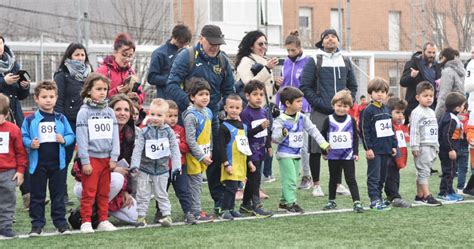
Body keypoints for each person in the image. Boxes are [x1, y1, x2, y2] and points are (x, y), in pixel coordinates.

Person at [166, 25, 235, 215]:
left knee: (213, 156)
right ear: (201, 39)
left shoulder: (223, 60)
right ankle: (169, 207)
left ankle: (219, 201)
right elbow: (171, 85)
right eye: (212, 43)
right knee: (182, 159)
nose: (215, 47)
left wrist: (222, 109)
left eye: (218, 44)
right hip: (187, 117)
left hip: (212, 117)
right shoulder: (186, 56)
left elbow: (229, 90)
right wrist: (191, 105)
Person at [300, 29, 356, 198]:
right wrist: (320, 104)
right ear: (322, 42)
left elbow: (352, 86)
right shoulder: (314, 60)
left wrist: (345, 102)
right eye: (327, 37)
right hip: (320, 111)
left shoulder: (345, 60)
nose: (331, 39)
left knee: (339, 146)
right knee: (316, 148)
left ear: (338, 41)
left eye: (334, 36)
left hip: (340, 114)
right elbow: (305, 86)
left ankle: (338, 184)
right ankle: (316, 184)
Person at [72, 94, 138, 225]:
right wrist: (112, 168)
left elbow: (129, 168)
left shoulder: (131, 134)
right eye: (118, 109)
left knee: (135, 216)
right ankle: (89, 212)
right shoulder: (97, 127)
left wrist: (125, 191)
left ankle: (94, 210)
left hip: (112, 187)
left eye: (126, 110)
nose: (122, 113)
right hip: (86, 183)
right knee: (117, 178)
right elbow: (77, 169)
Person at [21, 81, 75, 236]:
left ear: (56, 98)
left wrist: (64, 140)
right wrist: (30, 143)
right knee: (37, 196)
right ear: (36, 99)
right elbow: (23, 135)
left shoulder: (61, 118)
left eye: (51, 96)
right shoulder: (30, 120)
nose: (48, 100)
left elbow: (71, 135)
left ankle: (61, 223)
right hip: (38, 165)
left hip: (58, 164)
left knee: (58, 196)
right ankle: (37, 225)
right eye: (44, 96)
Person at [272, 86, 330, 213]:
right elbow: (275, 138)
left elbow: (313, 130)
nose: (301, 104)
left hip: (296, 154)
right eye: (298, 101)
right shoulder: (280, 119)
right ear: (287, 103)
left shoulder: (302, 117)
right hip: (284, 154)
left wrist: (323, 143)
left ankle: (283, 202)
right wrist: (282, 133)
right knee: (291, 179)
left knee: (291, 178)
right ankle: (291, 203)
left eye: (301, 101)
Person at [76, 73, 120, 233]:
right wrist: (85, 161)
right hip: (92, 160)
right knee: (89, 192)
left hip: (107, 160)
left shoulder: (109, 112)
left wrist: (114, 157)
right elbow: (81, 139)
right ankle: (86, 221)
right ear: (89, 91)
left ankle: (103, 219)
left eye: (105, 89)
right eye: (98, 89)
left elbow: (115, 136)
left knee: (104, 192)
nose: (102, 92)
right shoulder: (84, 112)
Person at [234, 30, 277, 185]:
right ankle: (242, 183)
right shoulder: (246, 60)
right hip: (249, 111)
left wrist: (276, 84)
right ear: (251, 45)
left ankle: (256, 183)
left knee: (261, 145)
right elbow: (249, 84)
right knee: (248, 145)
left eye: (265, 43)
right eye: (260, 43)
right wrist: (267, 69)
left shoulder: (263, 60)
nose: (264, 46)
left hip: (263, 110)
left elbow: (265, 90)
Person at [131, 98, 181, 227]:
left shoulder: (169, 132)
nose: (155, 118)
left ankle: (167, 215)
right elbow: (137, 149)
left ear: (165, 116)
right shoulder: (144, 132)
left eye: (159, 115)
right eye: (152, 114)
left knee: (161, 193)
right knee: (143, 193)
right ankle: (141, 217)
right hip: (144, 169)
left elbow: (175, 150)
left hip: (162, 169)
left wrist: (176, 166)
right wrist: (135, 164)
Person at [54, 42, 93, 206]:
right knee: (65, 157)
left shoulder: (91, 74)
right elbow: (59, 100)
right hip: (68, 122)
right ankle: (61, 194)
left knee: (89, 157)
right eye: (77, 54)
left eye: (82, 55)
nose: (80, 58)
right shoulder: (61, 75)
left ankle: (90, 190)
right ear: (69, 56)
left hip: (87, 121)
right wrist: (60, 123)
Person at [274, 30, 312, 190]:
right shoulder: (287, 63)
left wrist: (306, 104)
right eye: (288, 50)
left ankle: (307, 176)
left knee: (302, 144)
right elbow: (282, 87)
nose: (290, 53)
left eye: (293, 50)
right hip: (285, 109)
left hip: (302, 109)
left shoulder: (309, 62)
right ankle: (291, 174)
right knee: (284, 141)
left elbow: (309, 86)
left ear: (300, 47)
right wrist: (277, 86)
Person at [0, 35, 31, 210]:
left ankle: (28, 195)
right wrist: (3, 81)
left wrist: (24, 87)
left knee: (21, 153)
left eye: (0, 43)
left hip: (14, 116)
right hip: (0, 117)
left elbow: (20, 95)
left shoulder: (13, 63)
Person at [320, 90, 363, 213]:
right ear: (333, 105)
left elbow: (355, 137)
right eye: (339, 105)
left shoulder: (351, 120)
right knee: (333, 178)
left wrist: (355, 152)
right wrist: (324, 152)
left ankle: (357, 202)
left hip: (348, 156)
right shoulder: (328, 120)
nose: (342, 108)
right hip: (333, 156)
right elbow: (322, 137)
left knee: (351, 179)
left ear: (349, 107)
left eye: (345, 106)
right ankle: (331, 201)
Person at [359, 78, 397, 211]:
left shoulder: (387, 109)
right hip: (375, 150)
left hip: (386, 149)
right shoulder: (367, 110)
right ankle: (374, 199)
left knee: (382, 176)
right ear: (370, 93)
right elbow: (364, 130)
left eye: (382, 91)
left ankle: (379, 197)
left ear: (386, 93)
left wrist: (393, 145)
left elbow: (391, 129)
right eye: (376, 91)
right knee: (374, 176)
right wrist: (368, 148)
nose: (379, 94)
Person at [158, 99, 196, 225]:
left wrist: (175, 145)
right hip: (163, 167)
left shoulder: (180, 130)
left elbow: (187, 147)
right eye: (169, 116)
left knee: (183, 190)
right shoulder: (158, 130)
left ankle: (188, 213)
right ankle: (160, 213)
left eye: (175, 115)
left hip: (179, 166)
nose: (173, 119)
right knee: (162, 191)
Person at [182, 77, 214, 221]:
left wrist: (210, 151)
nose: (205, 97)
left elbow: (210, 134)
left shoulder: (208, 112)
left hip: (204, 155)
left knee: (198, 183)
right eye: (201, 94)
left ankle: (195, 209)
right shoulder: (191, 116)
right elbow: (190, 140)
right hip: (193, 157)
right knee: (194, 184)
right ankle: (195, 211)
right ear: (192, 97)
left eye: (207, 94)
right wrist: (201, 156)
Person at [239, 81, 272, 217]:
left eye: (261, 94)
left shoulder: (264, 111)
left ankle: (245, 205)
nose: (259, 97)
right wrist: (260, 127)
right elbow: (245, 134)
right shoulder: (245, 114)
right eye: (255, 94)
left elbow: (266, 132)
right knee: (255, 178)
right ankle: (256, 205)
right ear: (247, 96)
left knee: (254, 178)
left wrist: (269, 145)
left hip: (261, 150)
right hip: (250, 151)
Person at [219, 95, 251, 220]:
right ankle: (224, 210)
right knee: (231, 187)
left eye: (237, 108)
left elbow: (245, 146)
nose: (234, 110)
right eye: (231, 107)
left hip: (240, 164)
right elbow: (221, 147)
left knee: (236, 187)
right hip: (230, 163)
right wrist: (226, 163)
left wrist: (249, 162)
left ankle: (232, 209)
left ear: (241, 109)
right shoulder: (224, 127)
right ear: (225, 108)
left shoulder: (243, 126)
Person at [409, 81, 442, 206]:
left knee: (424, 171)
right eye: (425, 95)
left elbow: (434, 130)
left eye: (431, 96)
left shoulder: (431, 112)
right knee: (423, 171)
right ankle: (427, 196)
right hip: (422, 146)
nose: (429, 98)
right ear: (418, 97)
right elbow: (414, 130)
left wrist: (436, 145)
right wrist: (415, 146)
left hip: (432, 146)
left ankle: (419, 196)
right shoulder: (417, 112)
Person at [0, 93, 27, 238]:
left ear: (6, 114)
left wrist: (21, 171)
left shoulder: (13, 130)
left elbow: (21, 153)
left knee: (8, 200)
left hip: (8, 173)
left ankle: (5, 225)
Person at [96, 33, 144, 104]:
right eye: (124, 55)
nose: (127, 59)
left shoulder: (130, 72)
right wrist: (116, 92)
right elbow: (96, 95)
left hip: (126, 112)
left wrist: (136, 97)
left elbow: (141, 94)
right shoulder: (103, 71)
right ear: (115, 52)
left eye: (130, 56)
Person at [400, 42, 441, 124]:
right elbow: (402, 82)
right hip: (415, 105)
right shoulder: (413, 63)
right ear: (423, 52)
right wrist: (411, 76)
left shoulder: (437, 66)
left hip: (431, 105)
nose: (431, 55)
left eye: (433, 53)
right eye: (429, 52)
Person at [148, 24, 192, 99]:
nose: (183, 45)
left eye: (185, 43)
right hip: (166, 99)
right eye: (181, 42)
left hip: (183, 98)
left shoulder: (188, 53)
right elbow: (151, 78)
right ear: (174, 37)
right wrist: (171, 79)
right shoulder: (160, 53)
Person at [437, 92, 466, 202]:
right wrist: (450, 149)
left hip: (451, 148)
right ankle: (443, 192)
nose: (464, 107)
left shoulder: (452, 116)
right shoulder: (451, 118)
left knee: (453, 171)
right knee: (448, 171)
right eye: (463, 105)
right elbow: (446, 135)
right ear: (457, 108)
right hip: (447, 149)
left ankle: (450, 191)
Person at [384, 97, 411, 208]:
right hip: (391, 157)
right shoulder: (388, 125)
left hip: (398, 157)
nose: (400, 115)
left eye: (402, 113)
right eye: (397, 112)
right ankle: (395, 197)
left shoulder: (399, 126)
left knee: (395, 176)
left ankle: (392, 196)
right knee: (391, 176)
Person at [434, 47, 465, 121]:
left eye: (440, 58)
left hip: (448, 114)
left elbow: (443, 96)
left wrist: (436, 117)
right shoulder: (460, 71)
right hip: (459, 111)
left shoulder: (448, 71)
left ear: (444, 57)